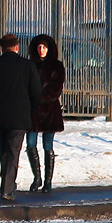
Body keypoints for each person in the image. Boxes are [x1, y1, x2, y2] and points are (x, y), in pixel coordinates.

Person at [0, 33, 42, 201]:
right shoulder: (27, 66)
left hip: (0, 118)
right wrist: (34, 113)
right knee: (13, 153)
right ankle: (7, 189)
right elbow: (36, 93)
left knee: (4, 152)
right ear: (17, 47)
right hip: (20, 118)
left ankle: (8, 184)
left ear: (1, 48)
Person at [25, 34, 65, 193]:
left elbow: (56, 90)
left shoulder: (57, 66)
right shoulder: (30, 66)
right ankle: (37, 177)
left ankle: (48, 181)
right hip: (33, 112)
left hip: (50, 111)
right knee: (30, 144)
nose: (41, 50)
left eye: (44, 47)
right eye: (39, 47)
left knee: (48, 145)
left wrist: (38, 96)